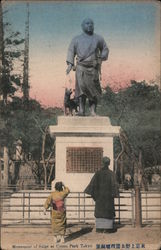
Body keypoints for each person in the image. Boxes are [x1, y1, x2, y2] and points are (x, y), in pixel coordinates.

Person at [66, 18, 109, 116]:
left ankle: (93, 111)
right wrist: (70, 64)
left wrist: (101, 57)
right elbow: (71, 51)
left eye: (91, 23)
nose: (90, 25)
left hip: (93, 68)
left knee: (93, 89)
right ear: (82, 26)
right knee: (81, 88)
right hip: (81, 67)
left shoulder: (98, 38)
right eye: (87, 23)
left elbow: (105, 49)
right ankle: (81, 110)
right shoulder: (76, 39)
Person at [84, 156, 119, 233]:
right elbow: (115, 186)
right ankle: (108, 229)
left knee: (100, 212)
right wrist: (114, 194)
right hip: (108, 198)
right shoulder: (112, 174)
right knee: (108, 212)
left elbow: (92, 186)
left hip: (99, 198)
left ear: (102, 163)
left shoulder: (98, 173)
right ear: (109, 163)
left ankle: (99, 228)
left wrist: (95, 196)